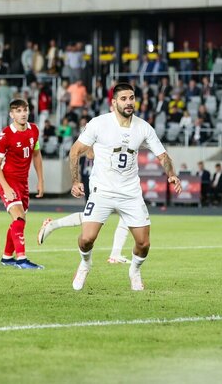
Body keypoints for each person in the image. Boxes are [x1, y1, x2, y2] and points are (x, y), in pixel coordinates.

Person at [67, 82, 182, 291]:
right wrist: (75, 181)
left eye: (131, 98)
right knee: (86, 239)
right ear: (113, 103)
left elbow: (162, 155)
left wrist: (172, 174)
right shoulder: (99, 124)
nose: (129, 103)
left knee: (143, 244)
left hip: (130, 193)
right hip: (102, 190)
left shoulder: (144, 127)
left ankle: (135, 271)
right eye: (124, 99)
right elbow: (75, 151)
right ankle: (85, 264)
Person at [37, 150, 131, 264]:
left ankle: (52, 225)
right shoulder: (98, 134)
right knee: (122, 214)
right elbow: (89, 154)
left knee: (93, 216)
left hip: (108, 182)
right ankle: (115, 254)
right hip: (102, 184)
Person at [0, 99, 45, 270]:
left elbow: (36, 155)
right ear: (11, 114)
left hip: (23, 182)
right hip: (7, 181)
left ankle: (7, 257)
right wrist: (6, 187)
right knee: (19, 218)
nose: (22, 114)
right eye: (18, 111)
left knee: (19, 221)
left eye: (24, 110)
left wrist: (41, 180)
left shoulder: (34, 130)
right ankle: (21, 259)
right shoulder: (6, 134)